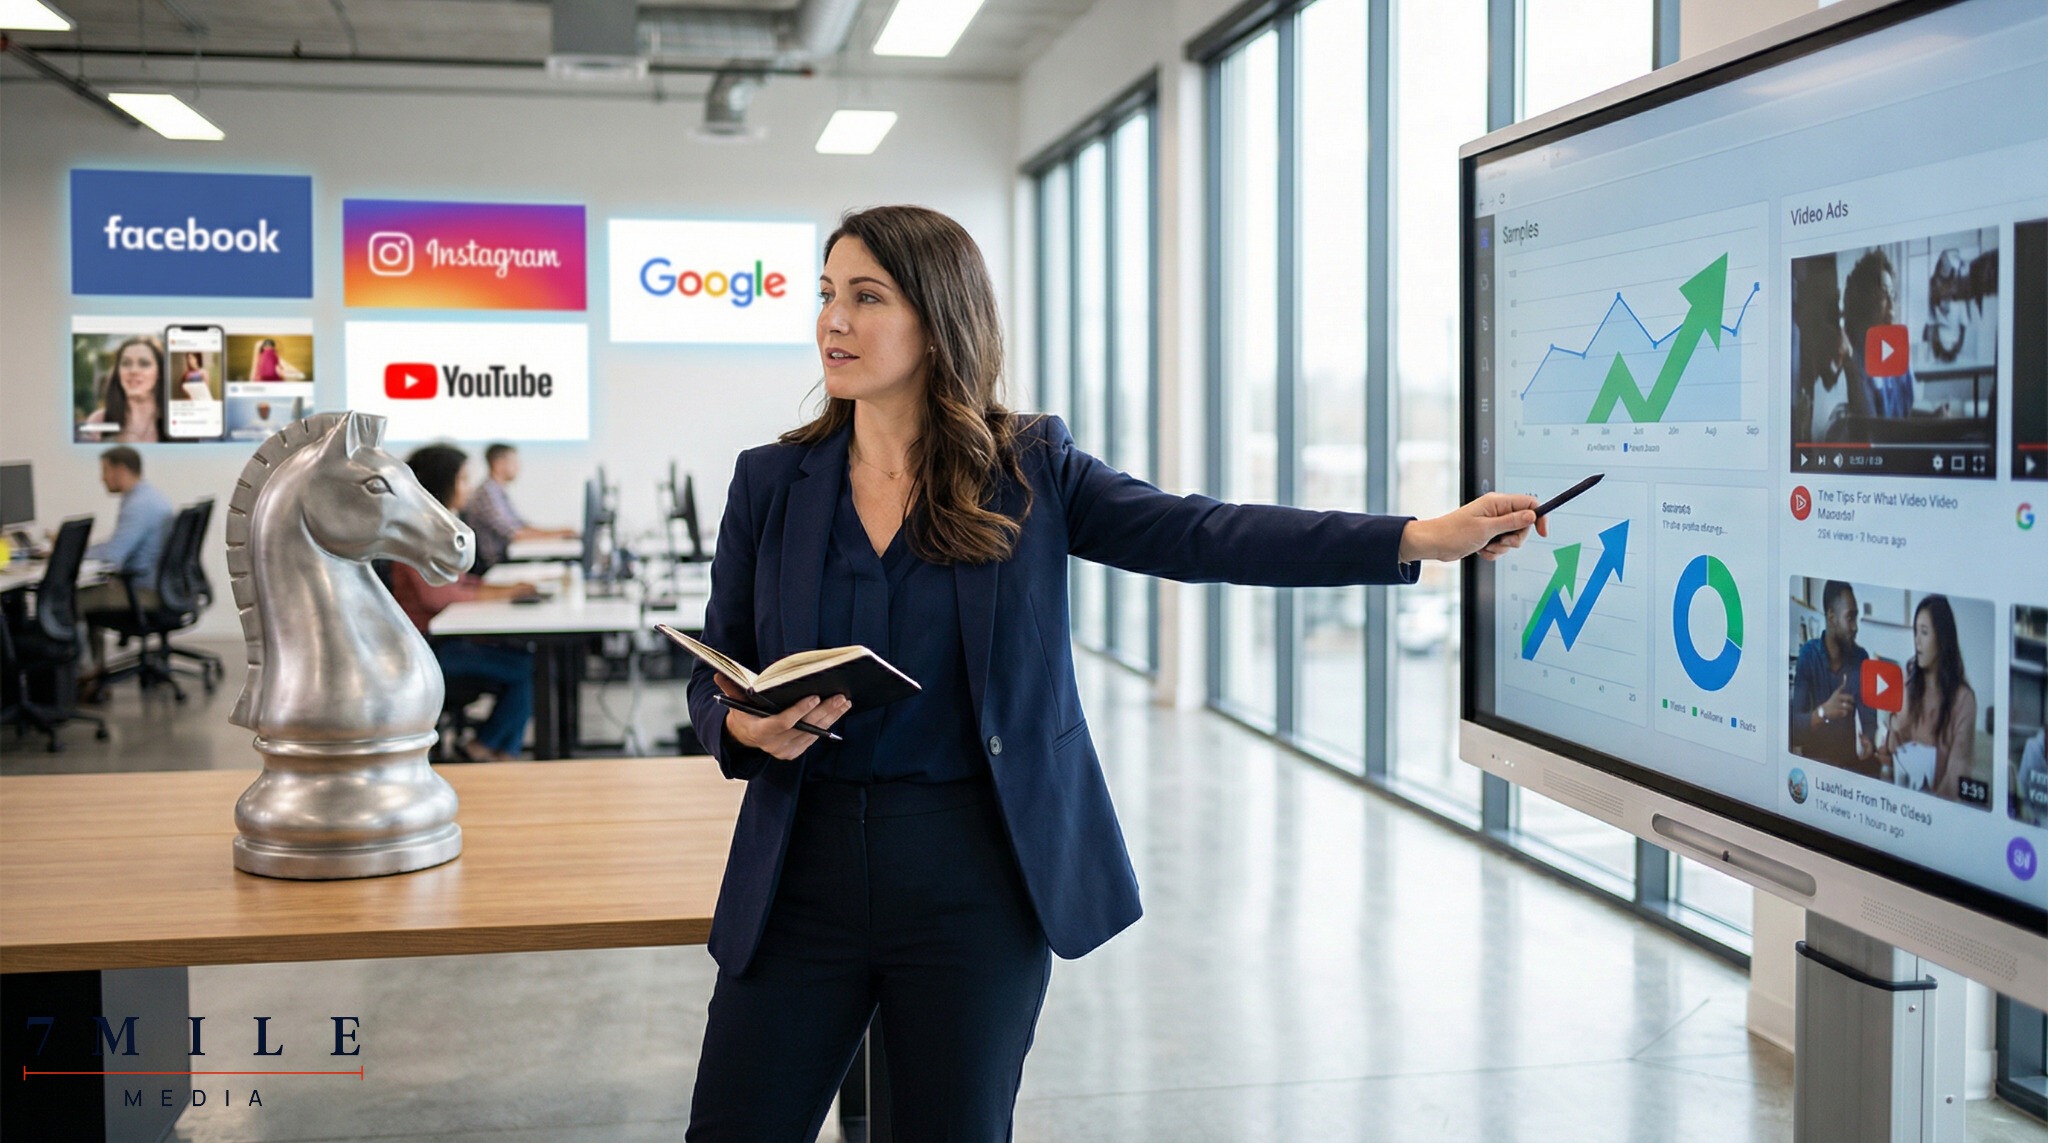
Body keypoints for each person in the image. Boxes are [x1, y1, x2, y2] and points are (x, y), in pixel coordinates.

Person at [681, 205, 1548, 1142]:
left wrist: (1415, 536)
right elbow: (715, 662)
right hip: (800, 870)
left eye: (865, 297)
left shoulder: (1028, 469)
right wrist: (735, 726)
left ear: (938, 320)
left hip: (976, 874)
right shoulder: (772, 482)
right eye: (825, 297)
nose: (832, 322)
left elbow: (1200, 530)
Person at [385, 444, 541, 762]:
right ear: (444, 484)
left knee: (524, 659)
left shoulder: (430, 526)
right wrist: (504, 593)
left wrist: (505, 590)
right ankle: (487, 748)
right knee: (527, 668)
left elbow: (459, 584)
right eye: (464, 479)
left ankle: (495, 747)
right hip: (430, 650)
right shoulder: (417, 532)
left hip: (444, 641)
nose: (469, 488)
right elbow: (439, 598)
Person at [75, 446, 175, 694]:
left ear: (120, 470)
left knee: (72, 600)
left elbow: (112, 556)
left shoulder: (138, 505)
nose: (102, 478)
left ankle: (84, 673)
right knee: (86, 593)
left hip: (142, 590)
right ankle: (91, 668)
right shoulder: (148, 496)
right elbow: (116, 546)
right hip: (160, 586)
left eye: (105, 471)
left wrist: (69, 553)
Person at [1875, 594, 1979, 803]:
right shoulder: (1908, 682)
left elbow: (1957, 776)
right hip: (1895, 802)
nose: (1917, 641)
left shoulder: (1964, 700)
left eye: (1924, 632)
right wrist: (1894, 725)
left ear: (1942, 638)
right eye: (1915, 632)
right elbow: (1888, 750)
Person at [1789, 580, 1879, 775]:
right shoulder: (1809, 654)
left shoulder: (1860, 657)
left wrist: (1869, 742)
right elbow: (1794, 729)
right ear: (1831, 616)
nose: (1855, 627)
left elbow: (1869, 720)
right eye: (1850, 618)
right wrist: (1823, 712)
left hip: (1849, 768)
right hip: (1814, 770)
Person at [461, 443, 576, 572]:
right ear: (499, 464)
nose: (518, 466)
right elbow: (515, 534)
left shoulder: (498, 491)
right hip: (495, 565)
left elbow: (522, 526)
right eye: (514, 461)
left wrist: (558, 532)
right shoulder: (487, 494)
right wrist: (557, 534)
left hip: (506, 558)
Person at [80, 336, 166, 443]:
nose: (133, 370)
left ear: (159, 373)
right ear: (118, 372)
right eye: (126, 363)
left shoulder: (174, 423)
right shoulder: (98, 422)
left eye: (144, 363)